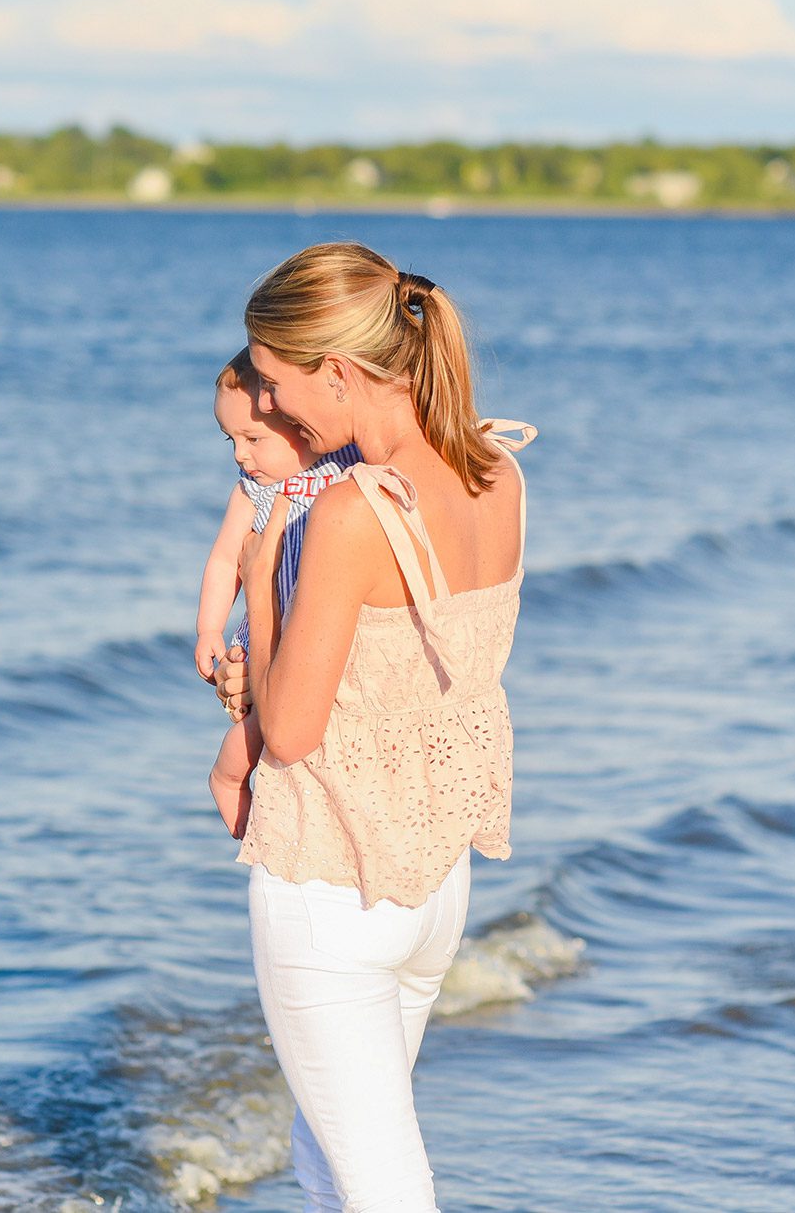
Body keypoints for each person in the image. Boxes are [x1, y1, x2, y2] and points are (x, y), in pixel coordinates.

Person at [213, 242, 535, 1212]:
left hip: (332, 883)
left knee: (385, 1190)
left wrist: (267, 573)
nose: (271, 413)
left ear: (340, 373)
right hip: (430, 886)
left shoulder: (355, 511)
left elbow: (296, 730)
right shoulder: (495, 473)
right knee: (333, 1164)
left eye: (275, 385)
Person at [196, 348, 362, 838]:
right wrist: (209, 626)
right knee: (253, 740)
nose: (239, 455)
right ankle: (229, 787)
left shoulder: (346, 465)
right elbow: (226, 559)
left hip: (318, 635)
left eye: (252, 438)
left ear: (299, 423)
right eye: (230, 439)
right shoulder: (254, 492)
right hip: (268, 641)